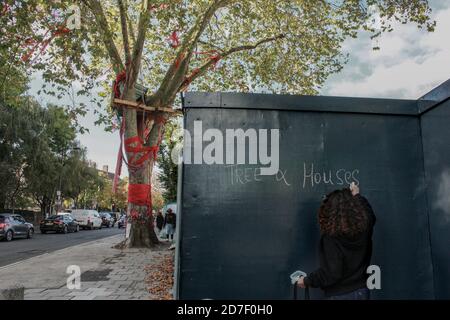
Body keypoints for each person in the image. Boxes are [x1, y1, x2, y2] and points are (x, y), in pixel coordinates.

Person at [297, 182, 376, 300]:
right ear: (355, 208)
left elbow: (331, 274)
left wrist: (307, 281)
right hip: (362, 291)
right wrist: (357, 196)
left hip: (340, 295)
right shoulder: (365, 226)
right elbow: (369, 214)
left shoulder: (331, 237)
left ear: (329, 212)